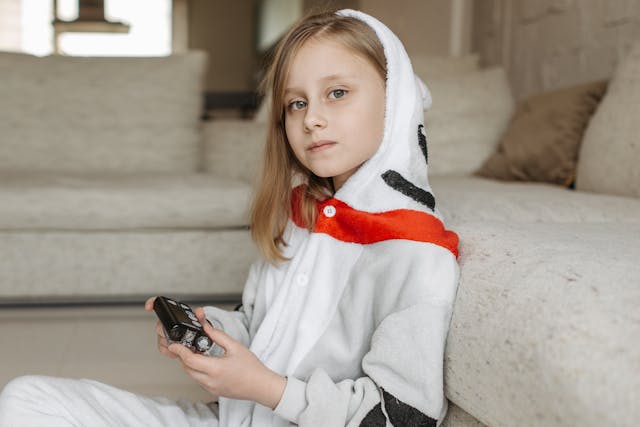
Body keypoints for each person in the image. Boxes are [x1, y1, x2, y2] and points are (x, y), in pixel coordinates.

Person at [0, 8, 459, 427]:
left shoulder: (415, 255)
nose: (312, 118)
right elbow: (262, 327)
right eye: (296, 103)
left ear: (396, 101)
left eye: (336, 93)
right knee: (26, 398)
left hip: (266, 413)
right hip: (229, 420)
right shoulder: (299, 222)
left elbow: (405, 418)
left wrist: (267, 390)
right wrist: (213, 333)